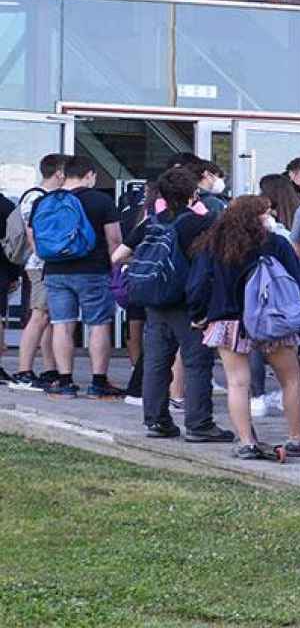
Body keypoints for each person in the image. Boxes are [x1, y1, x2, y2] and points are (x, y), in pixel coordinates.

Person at [109, 166, 230, 443]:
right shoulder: (201, 223)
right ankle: (200, 424)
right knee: (196, 363)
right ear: (194, 193)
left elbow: (118, 257)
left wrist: (151, 267)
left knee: (155, 362)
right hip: (187, 304)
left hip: (154, 303)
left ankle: (156, 421)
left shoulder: (151, 221)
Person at [186, 195, 300, 460]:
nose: (270, 217)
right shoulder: (276, 243)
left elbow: (197, 285)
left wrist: (199, 315)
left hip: (229, 321)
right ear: (258, 217)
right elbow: (294, 281)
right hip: (273, 321)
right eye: (266, 213)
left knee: (238, 383)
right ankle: (297, 437)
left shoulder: (213, 244)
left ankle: (246, 441)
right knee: (292, 379)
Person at [34, 156, 125, 399]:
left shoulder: (44, 201)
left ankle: (64, 381)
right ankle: (98, 382)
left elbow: (37, 240)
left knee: (62, 325)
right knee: (98, 324)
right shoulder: (101, 200)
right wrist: (116, 267)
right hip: (92, 271)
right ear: (90, 175)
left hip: (55, 271)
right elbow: (114, 240)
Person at [7, 153, 65, 390]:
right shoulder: (36, 197)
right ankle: (24, 370)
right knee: (38, 316)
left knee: (47, 319)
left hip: (41, 265)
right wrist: (46, 256)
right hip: (39, 265)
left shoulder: (42, 196)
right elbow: (33, 234)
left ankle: (50, 369)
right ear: (59, 172)